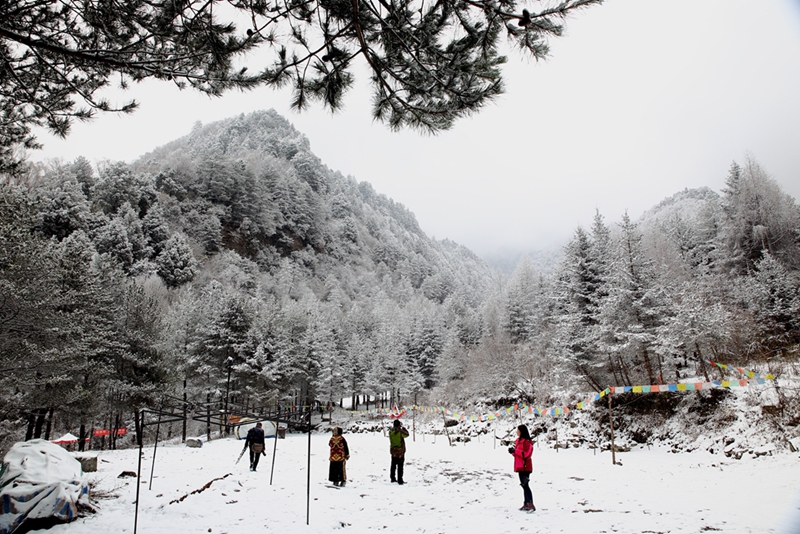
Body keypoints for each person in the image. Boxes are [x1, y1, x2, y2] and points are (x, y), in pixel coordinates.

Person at [508, 424, 535, 511]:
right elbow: (518, 454)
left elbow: (526, 454)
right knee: (523, 485)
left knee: (526, 485)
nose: (517, 432)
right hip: (519, 466)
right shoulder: (518, 441)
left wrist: (515, 451)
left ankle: (530, 503)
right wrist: (512, 452)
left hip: (525, 466)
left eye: (518, 430)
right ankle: (526, 503)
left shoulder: (527, 442)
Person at [388, 419, 409, 485]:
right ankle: (400, 480)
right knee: (400, 466)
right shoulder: (399, 432)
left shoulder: (391, 431)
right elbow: (407, 435)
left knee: (393, 465)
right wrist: (404, 429)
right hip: (400, 451)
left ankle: (392, 478)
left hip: (393, 451)